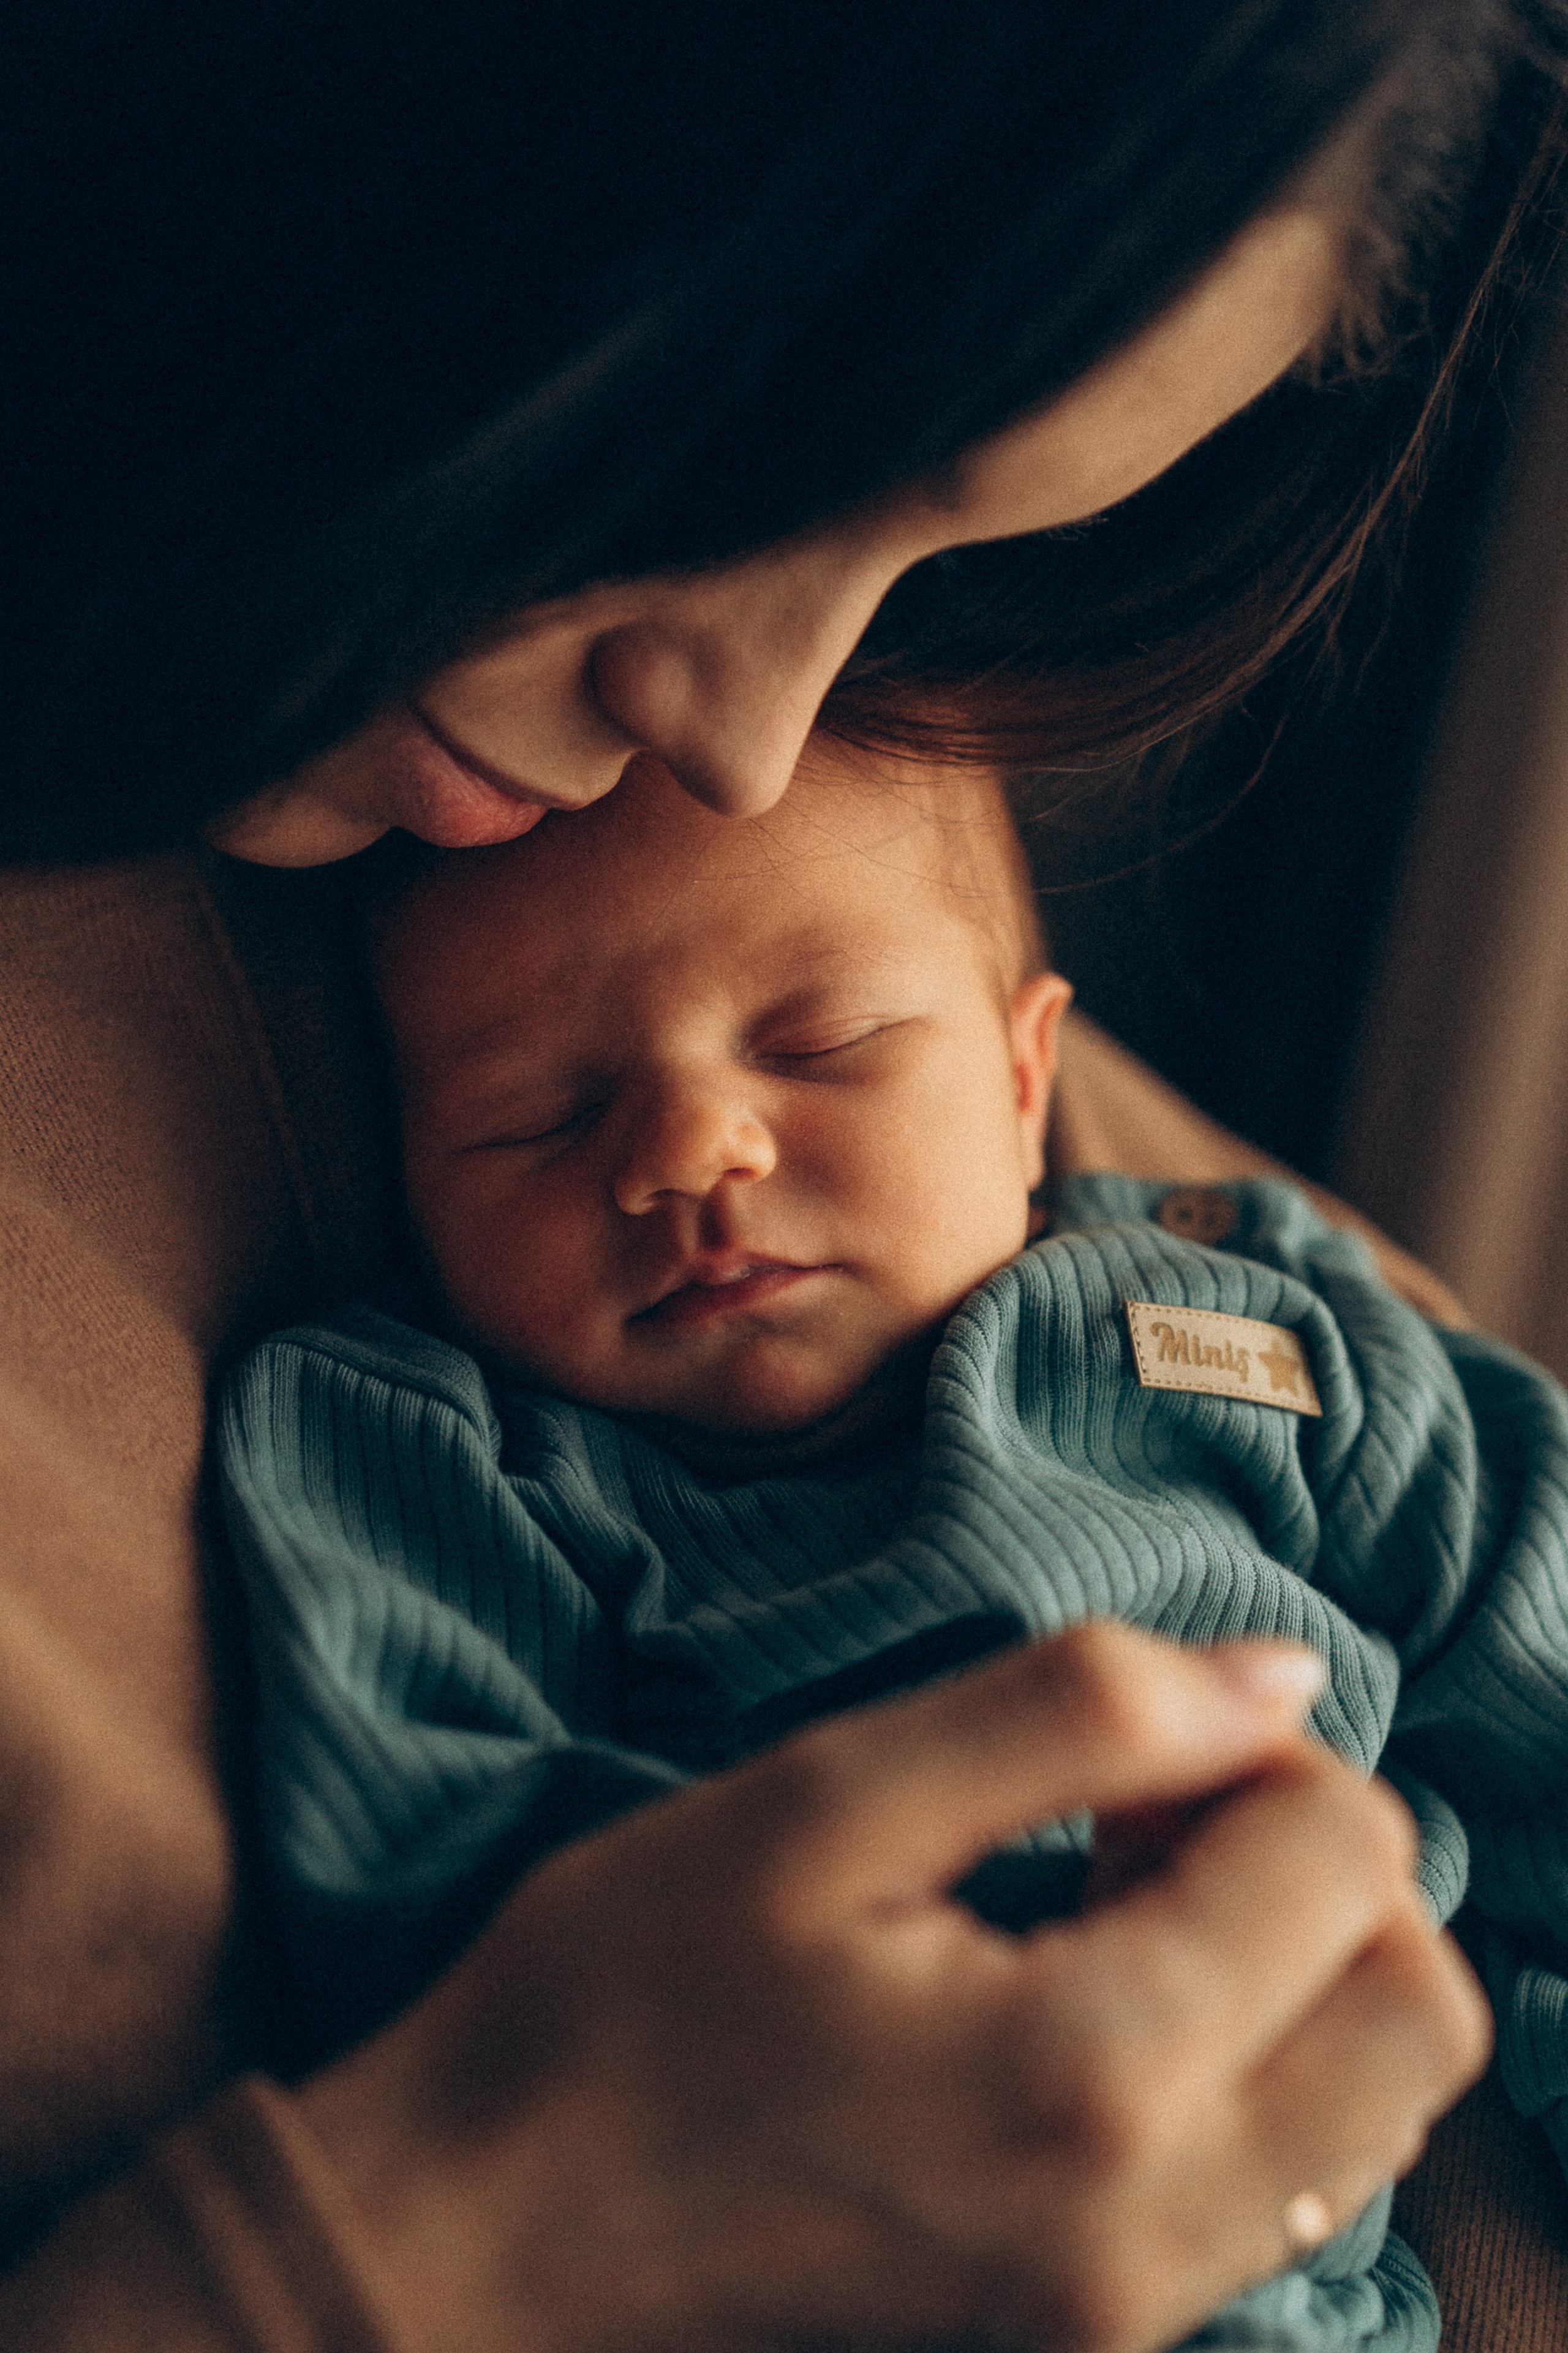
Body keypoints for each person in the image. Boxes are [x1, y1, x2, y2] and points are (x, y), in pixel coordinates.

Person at [4, 4, 1561, 2346]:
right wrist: (446, 2249)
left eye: (926, 566)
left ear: (1016, 1077)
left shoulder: (1171, 1263)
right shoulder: (428, 1424)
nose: (736, 744)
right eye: (755, 455)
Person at [217, 746, 1568, 2349]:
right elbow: (422, 1879)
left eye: (824, 1043)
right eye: (536, 1115)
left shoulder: (1241, 1308)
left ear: (1021, 1081)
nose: (687, 1148)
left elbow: (1532, 1631)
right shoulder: (442, 1449)